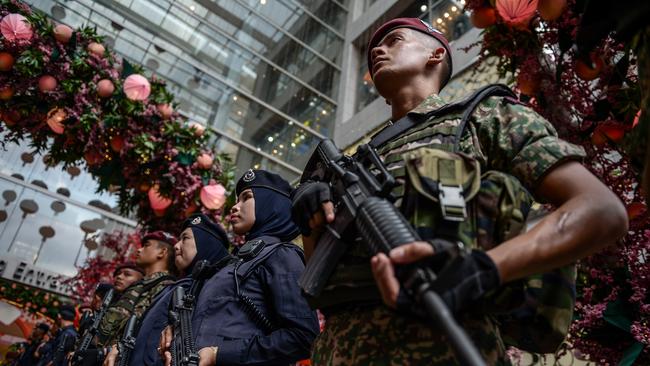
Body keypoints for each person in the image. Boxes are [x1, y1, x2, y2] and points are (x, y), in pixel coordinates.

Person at [292, 18, 629, 365]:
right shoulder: (358, 161)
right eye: (375, 46)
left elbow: (600, 210)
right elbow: (317, 284)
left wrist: (484, 269)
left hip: (445, 348)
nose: (377, 50)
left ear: (436, 54)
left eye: (394, 40)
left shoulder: (486, 116)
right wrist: (312, 224)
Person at [159, 169, 320, 366]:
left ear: (270, 203)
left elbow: (303, 336)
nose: (235, 207)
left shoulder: (281, 255)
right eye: (237, 199)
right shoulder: (231, 263)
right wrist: (175, 333)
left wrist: (219, 354)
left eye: (246, 198)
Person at [102, 213, 231, 366]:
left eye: (185, 238)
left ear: (206, 243)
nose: (176, 246)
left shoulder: (214, 290)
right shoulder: (176, 287)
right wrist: (120, 347)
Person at [97, 232, 177, 347]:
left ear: (162, 252)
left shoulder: (165, 287)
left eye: (146, 245)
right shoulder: (140, 285)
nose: (139, 250)